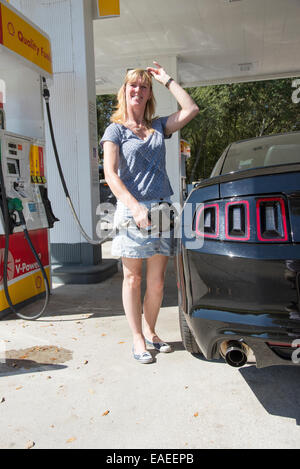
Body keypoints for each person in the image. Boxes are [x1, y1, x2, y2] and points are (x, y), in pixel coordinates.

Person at [101, 61, 199, 363]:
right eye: (134, 84)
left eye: (144, 86)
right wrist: (135, 207)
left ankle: (152, 330)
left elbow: (191, 109)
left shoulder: (158, 126)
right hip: (134, 210)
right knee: (133, 279)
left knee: (157, 283)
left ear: (148, 95)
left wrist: (166, 79)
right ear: (125, 90)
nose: (138, 90)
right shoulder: (115, 130)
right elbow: (110, 173)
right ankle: (137, 337)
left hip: (163, 209)